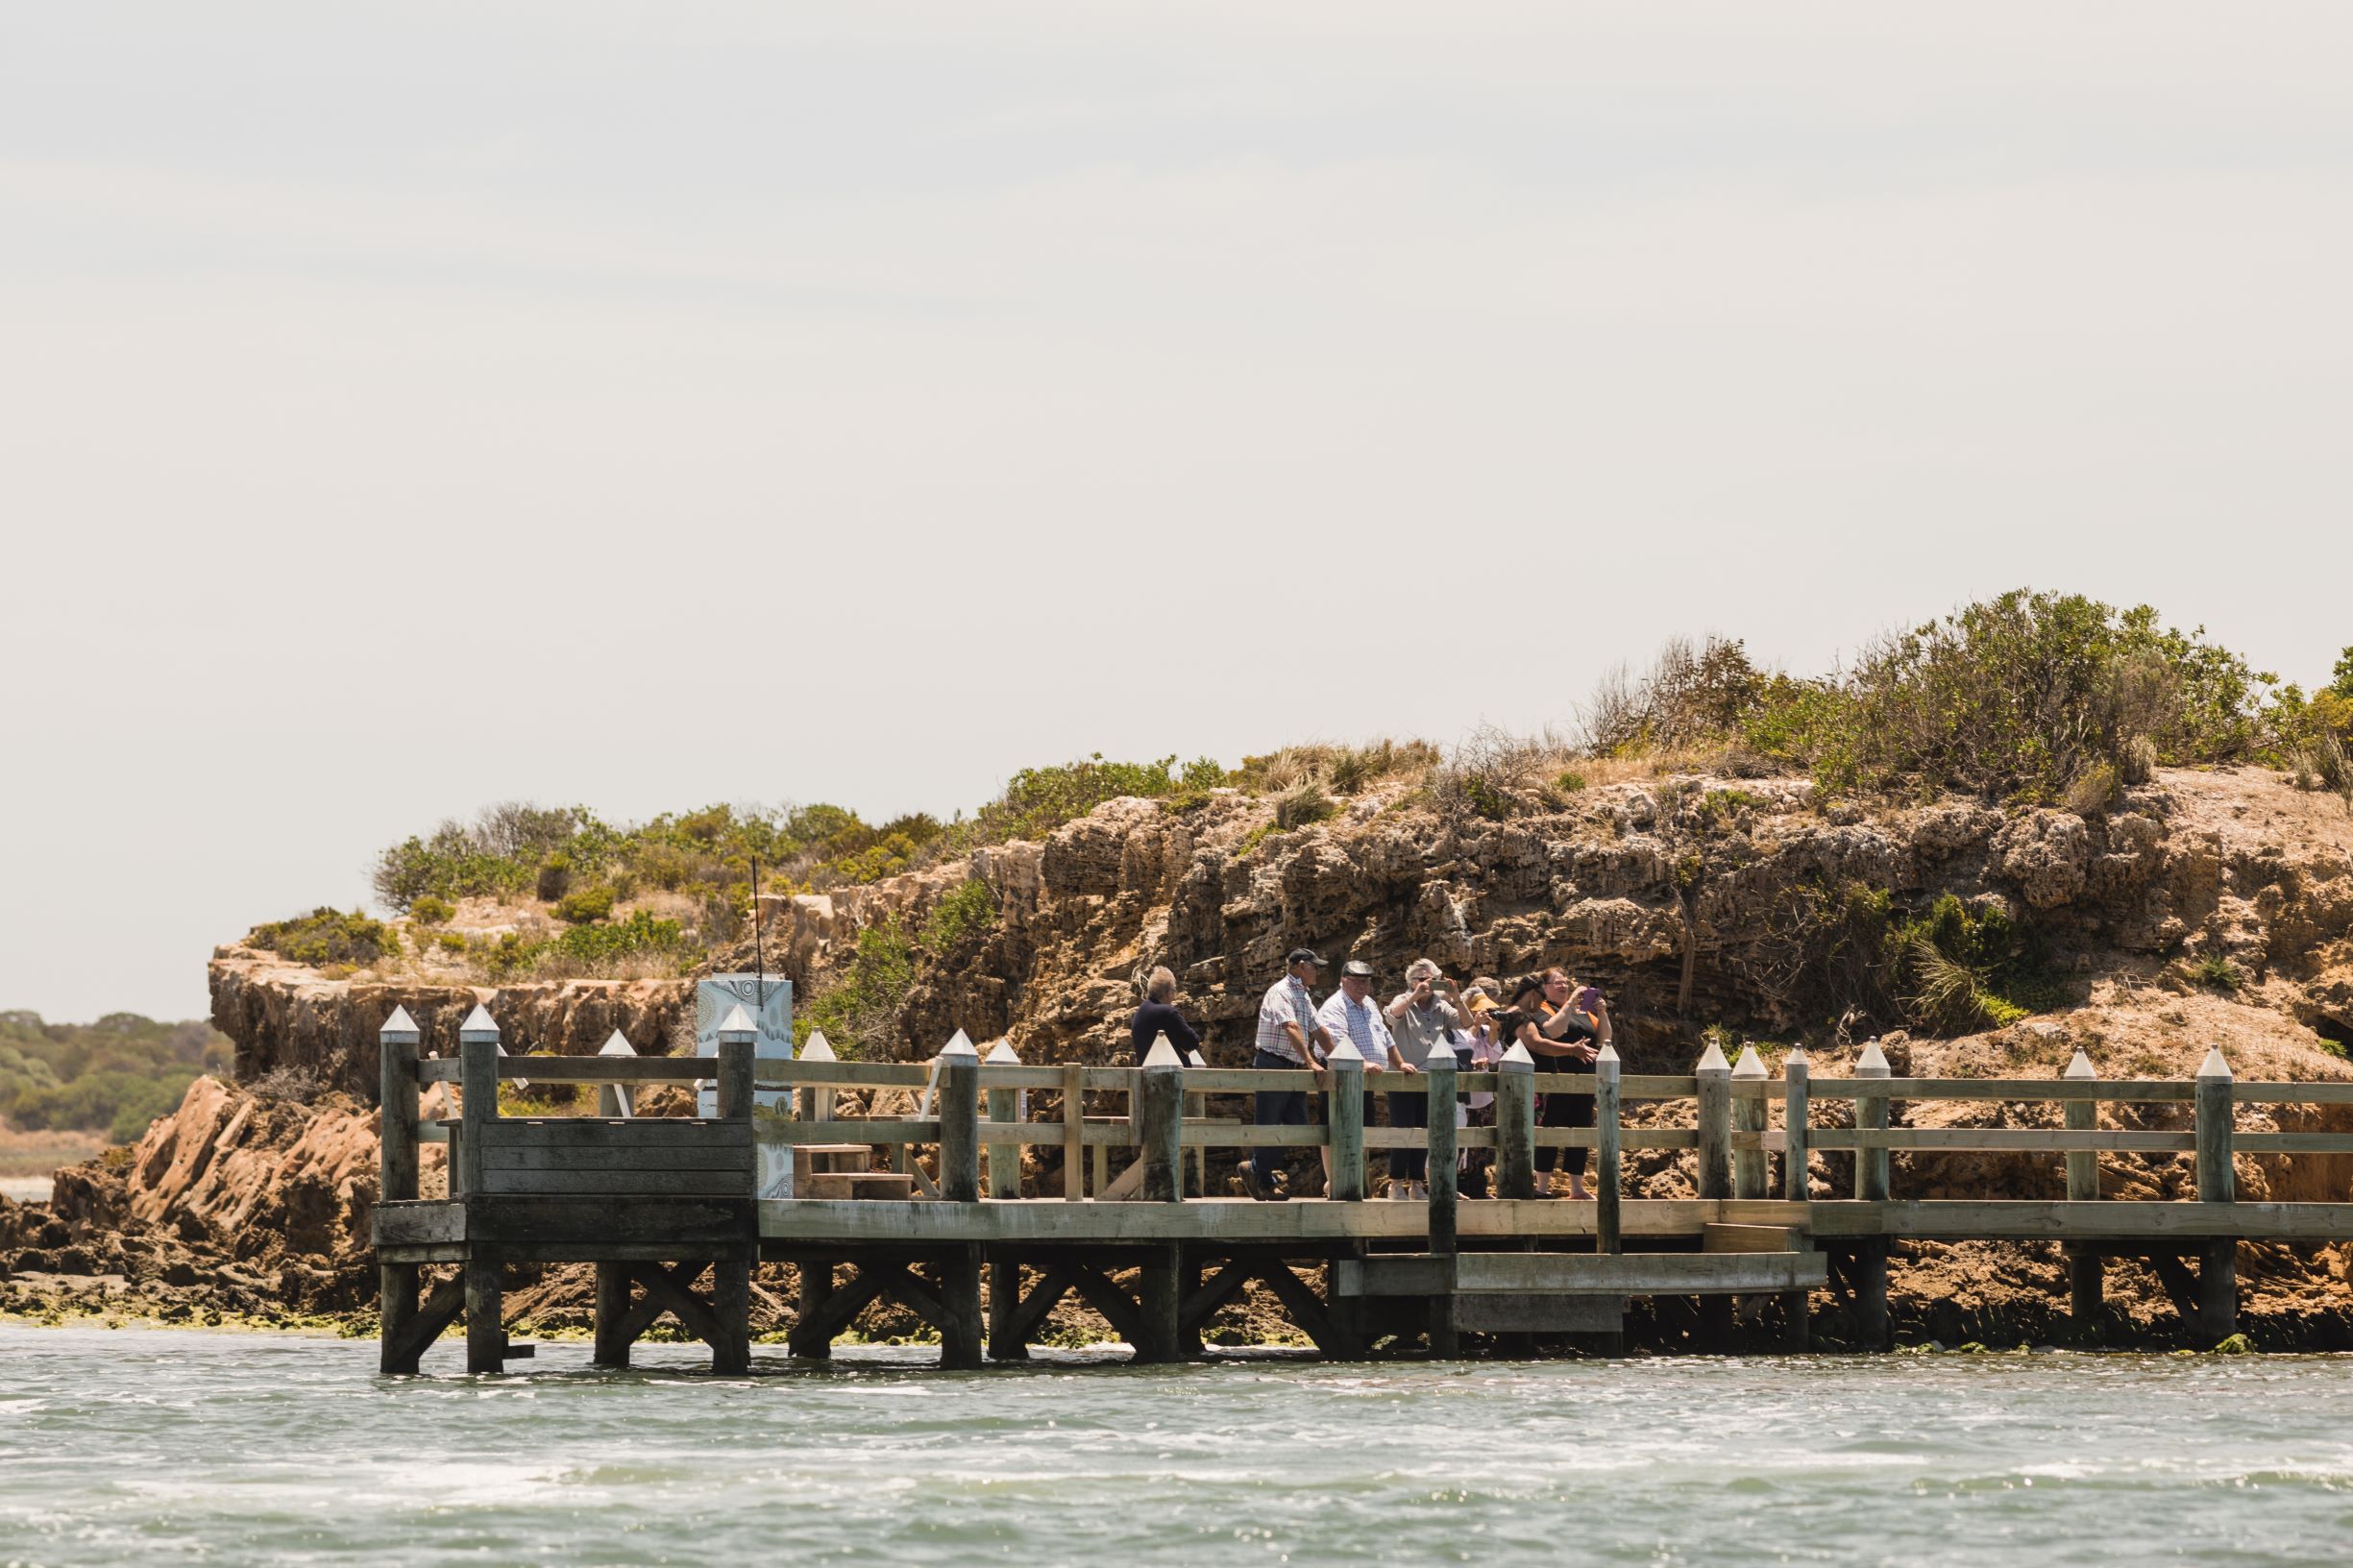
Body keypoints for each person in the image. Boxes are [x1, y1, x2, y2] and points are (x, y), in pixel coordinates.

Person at [1242, 948, 1334, 1201]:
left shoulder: (1303, 996)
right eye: (1314, 966)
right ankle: (1262, 1179)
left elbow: (1319, 1030)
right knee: (1269, 1122)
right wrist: (1311, 1061)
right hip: (1273, 1064)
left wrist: (1336, 1059)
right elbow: (1290, 1027)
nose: (1318, 971)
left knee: (1298, 1126)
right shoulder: (1281, 991)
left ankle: (1255, 1168)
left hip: (1291, 1067)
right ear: (1301, 966)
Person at [1515, 968, 1609, 1199]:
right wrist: (1568, 1005)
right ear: (1544, 988)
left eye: (1566, 982)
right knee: (1550, 1130)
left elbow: (1605, 1039)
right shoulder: (1542, 1010)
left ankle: (1576, 1188)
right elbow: (1553, 1031)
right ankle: (1542, 1187)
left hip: (1584, 1081)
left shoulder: (1583, 1012)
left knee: (1580, 1131)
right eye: (1557, 983)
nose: (1564, 986)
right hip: (1554, 1080)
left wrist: (1602, 1012)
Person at [1382, 959, 1464, 1198]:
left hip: (1432, 1078)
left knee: (1424, 1130)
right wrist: (1415, 995)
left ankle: (1417, 1183)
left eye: (1430, 979)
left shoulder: (1442, 1005)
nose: (1426, 983)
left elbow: (1466, 1023)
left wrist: (1456, 997)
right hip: (1404, 1076)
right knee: (1403, 1129)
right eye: (1420, 979)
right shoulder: (1403, 999)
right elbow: (1391, 1016)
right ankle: (1396, 1183)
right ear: (1411, 982)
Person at [1315, 959, 1396, 1194]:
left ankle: (1355, 1181)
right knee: (1333, 1128)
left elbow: (1385, 1036)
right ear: (1343, 981)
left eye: (1366, 981)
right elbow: (1336, 1043)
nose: (1362, 986)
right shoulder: (1335, 1006)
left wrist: (1399, 1063)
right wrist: (1364, 1063)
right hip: (1338, 1076)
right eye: (1356, 981)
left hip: (1363, 1078)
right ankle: (1334, 1182)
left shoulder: (1369, 1003)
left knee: (1362, 1129)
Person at [1130, 966, 1202, 1066]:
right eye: (1174, 990)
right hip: (1169, 1077)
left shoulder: (1139, 1012)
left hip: (1146, 1075)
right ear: (1169, 993)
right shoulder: (1167, 1012)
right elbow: (1192, 1041)